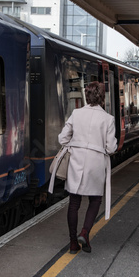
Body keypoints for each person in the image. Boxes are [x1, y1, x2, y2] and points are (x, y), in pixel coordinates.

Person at [57, 81, 117, 254]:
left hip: (76, 161)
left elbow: (62, 139)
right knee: (95, 200)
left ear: (87, 95)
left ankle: (73, 242)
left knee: (74, 202)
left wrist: (76, 145)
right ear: (102, 97)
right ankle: (85, 232)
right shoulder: (108, 119)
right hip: (96, 163)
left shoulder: (76, 113)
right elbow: (111, 148)